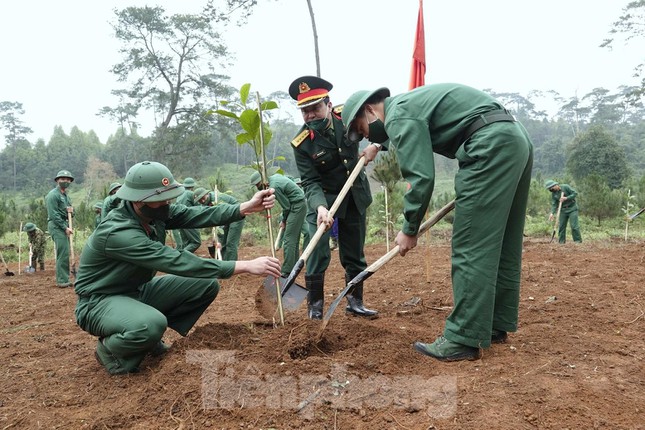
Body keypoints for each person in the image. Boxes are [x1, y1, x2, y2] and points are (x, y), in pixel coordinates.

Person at [342, 83, 534, 362]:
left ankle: (462, 338)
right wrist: (376, 145)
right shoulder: (407, 106)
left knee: (471, 244)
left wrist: (409, 229)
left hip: (488, 144)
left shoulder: (398, 114)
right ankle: (495, 323)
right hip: (513, 139)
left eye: (361, 129)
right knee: (502, 241)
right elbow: (406, 131)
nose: (364, 135)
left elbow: (421, 178)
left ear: (370, 110)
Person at [73, 161, 280, 375]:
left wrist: (244, 207)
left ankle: (147, 338)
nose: (167, 202)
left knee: (205, 284)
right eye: (160, 198)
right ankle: (111, 350)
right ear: (138, 200)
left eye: (168, 196)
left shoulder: (152, 214)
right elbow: (176, 261)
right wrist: (245, 265)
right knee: (150, 324)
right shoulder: (118, 233)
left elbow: (196, 215)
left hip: (136, 292)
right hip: (98, 302)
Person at [289, 75, 379, 319]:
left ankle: (355, 302)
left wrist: (375, 146)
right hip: (323, 201)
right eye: (305, 111)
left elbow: (380, 124)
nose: (310, 115)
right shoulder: (301, 144)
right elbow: (310, 181)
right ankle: (315, 308)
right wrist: (319, 207)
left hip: (354, 196)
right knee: (317, 251)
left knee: (354, 251)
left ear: (329, 105)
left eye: (315, 108)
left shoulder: (346, 117)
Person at [251, 171, 306, 277]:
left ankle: (287, 271)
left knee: (288, 239)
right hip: (299, 204)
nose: (258, 187)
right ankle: (294, 266)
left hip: (297, 205)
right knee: (294, 238)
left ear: (262, 180)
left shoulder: (274, 187)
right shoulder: (274, 177)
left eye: (258, 184)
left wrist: (284, 220)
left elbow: (286, 206)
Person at [193, 187, 245, 261]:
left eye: (203, 197)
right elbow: (211, 220)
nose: (202, 200)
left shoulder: (217, 199)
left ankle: (232, 266)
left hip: (237, 214)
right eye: (200, 200)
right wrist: (215, 237)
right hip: (227, 217)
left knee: (231, 243)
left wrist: (217, 235)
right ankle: (224, 263)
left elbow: (221, 216)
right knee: (221, 241)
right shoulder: (205, 205)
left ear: (207, 194)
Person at [45, 169, 74, 288]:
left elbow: (69, 212)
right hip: (57, 226)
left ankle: (65, 277)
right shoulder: (53, 195)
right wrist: (64, 227)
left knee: (65, 252)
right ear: (57, 180)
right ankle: (62, 280)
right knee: (62, 253)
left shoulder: (66, 196)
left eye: (67, 179)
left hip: (65, 225)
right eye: (62, 179)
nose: (65, 181)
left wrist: (72, 212)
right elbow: (53, 215)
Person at [172, 177, 202, 253]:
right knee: (196, 242)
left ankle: (182, 261)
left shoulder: (180, 194)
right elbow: (199, 207)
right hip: (188, 220)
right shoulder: (191, 194)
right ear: (192, 186)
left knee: (185, 243)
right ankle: (179, 256)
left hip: (179, 221)